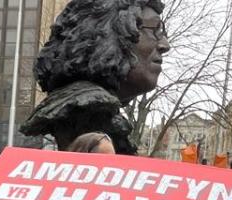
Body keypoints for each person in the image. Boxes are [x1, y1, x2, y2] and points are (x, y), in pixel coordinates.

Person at [23, 0, 170, 154]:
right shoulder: (87, 111)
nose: (164, 45)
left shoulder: (102, 114)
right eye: (155, 30)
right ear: (112, 32)